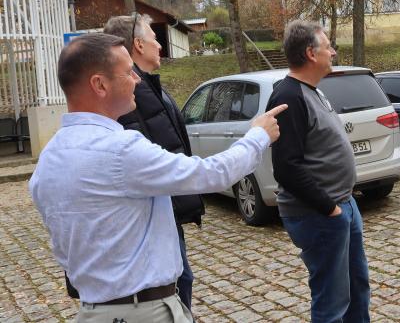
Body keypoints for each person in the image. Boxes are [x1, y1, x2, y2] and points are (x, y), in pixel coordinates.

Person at [29, 33, 287, 323]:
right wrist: (257, 136)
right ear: (100, 84)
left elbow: (64, 249)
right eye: (128, 72)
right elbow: (209, 174)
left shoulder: (48, 160)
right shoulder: (120, 149)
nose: (137, 80)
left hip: (94, 312)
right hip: (143, 312)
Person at [268, 21, 370, 323]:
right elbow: (286, 167)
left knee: (357, 289)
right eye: (328, 47)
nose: (334, 52)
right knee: (332, 302)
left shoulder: (313, 91)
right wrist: (330, 209)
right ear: (311, 53)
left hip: (342, 205)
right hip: (318, 214)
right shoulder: (288, 97)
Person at [103, 14, 202, 312]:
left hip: (168, 210)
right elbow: (142, 160)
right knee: (178, 282)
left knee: (183, 279)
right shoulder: (130, 94)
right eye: (154, 39)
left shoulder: (151, 86)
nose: (159, 45)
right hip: (156, 212)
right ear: (137, 44)